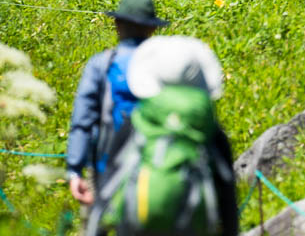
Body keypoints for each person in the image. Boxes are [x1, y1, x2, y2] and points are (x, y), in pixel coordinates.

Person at [87, 36, 238, 236]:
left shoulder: (139, 120)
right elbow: (227, 194)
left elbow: (110, 182)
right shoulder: (208, 128)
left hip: (137, 225)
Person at [66, 0, 169, 206]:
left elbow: (82, 121)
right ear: (152, 28)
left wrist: (74, 170)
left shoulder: (101, 65)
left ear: (117, 25)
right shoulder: (166, 67)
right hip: (155, 169)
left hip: (105, 167)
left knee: (97, 224)